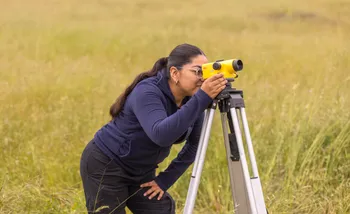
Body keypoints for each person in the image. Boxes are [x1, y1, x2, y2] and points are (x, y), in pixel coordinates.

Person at [80, 43, 228, 214]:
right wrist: (202, 97)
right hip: (107, 164)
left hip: (142, 171)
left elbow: (196, 144)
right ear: (174, 73)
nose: (203, 78)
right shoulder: (148, 91)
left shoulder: (192, 98)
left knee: (161, 210)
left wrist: (165, 180)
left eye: (206, 72)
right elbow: (161, 135)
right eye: (197, 72)